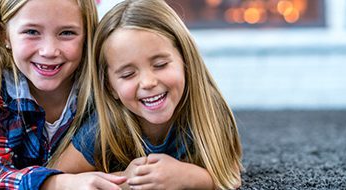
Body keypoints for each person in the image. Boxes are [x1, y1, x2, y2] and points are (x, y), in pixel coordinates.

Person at [0, 0, 127, 189]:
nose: (49, 51)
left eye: (67, 33)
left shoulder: (100, 83)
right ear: (4, 35)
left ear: (87, 36)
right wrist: (57, 183)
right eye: (32, 32)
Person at [52, 0, 243, 189]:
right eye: (128, 74)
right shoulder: (103, 128)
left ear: (185, 61)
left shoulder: (208, 109)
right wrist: (128, 180)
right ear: (110, 87)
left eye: (160, 65)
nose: (148, 82)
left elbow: (230, 175)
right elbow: (56, 176)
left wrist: (187, 177)